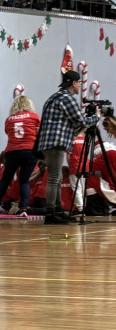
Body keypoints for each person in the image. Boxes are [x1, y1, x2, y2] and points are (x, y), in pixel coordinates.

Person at [37, 69, 99, 224]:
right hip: (55, 142)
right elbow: (81, 121)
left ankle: (58, 210)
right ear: (74, 83)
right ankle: (51, 213)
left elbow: (70, 123)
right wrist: (96, 117)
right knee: (54, 178)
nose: (80, 86)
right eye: (79, 83)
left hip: (48, 142)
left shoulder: (54, 97)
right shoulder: (67, 98)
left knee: (56, 177)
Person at [0, 94, 40, 216]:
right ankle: (23, 208)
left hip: (12, 151)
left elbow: (8, 132)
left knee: (6, 179)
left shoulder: (9, 119)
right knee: (24, 181)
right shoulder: (34, 117)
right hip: (29, 150)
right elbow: (38, 133)